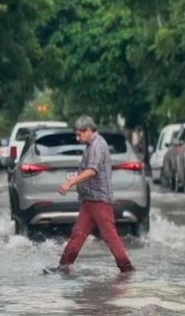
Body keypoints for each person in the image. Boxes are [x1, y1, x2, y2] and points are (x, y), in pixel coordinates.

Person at [49, 116, 134, 273]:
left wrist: (71, 182)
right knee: (78, 233)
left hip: (99, 199)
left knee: (109, 235)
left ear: (88, 131)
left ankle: (127, 269)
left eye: (79, 134)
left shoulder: (97, 145)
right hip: (90, 200)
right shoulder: (91, 144)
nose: (77, 138)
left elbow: (91, 171)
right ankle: (64, 266)